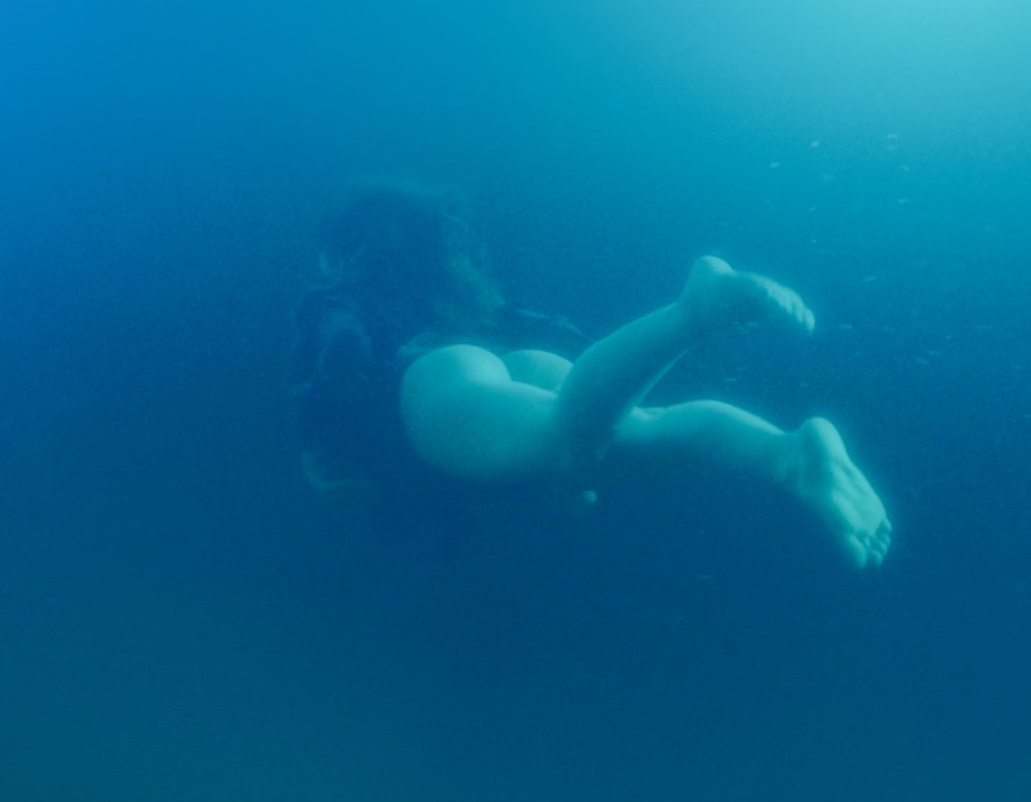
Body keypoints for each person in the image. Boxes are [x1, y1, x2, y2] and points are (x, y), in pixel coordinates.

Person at [292, 180, 892, 568]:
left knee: (562, 439)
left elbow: (341, 343)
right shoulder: (468, 293)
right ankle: (786, 454)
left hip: (432, 375)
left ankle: (693, 315)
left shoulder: (344, 288)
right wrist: (592, 402)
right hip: (525, 358)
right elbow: (545, 332)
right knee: (642, 426)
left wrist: (321, 440)